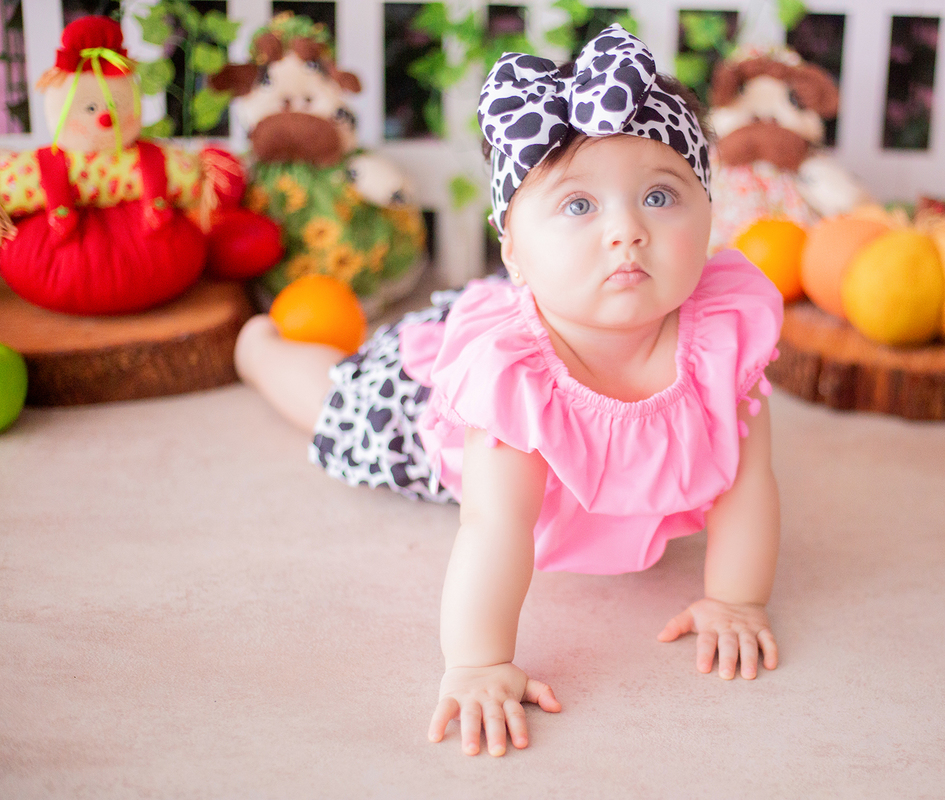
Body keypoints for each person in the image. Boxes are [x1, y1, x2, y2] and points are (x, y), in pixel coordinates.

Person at [234, 25, 784, 758]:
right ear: (513, 249)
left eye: (659, 194)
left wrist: (736, 599)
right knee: (334, 405)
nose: (627, 230)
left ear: (709, 216)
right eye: (579, 206)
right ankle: (258, 348)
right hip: (421, 398)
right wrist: (479, 663)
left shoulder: (724, 339)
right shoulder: (509, 378)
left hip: (558, 331)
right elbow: (494, 528)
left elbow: (750, 485)